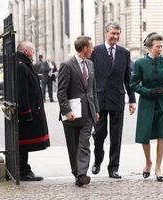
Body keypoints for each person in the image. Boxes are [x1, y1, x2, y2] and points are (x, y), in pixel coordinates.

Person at [130, 33, 163, 182]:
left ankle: (158, 168)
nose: (160, 49)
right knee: (145, 136)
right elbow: (133, 84)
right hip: (147, 102)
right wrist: (147, 91)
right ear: (150, 47)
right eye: (157, 46)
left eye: (161, 46)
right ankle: (148, 162)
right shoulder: (139, 63)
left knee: (161, 135)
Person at [90, 22, 136, 179]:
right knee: (99, 133)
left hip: (117, 97)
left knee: (116, 135)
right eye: (113, 33)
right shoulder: (95, 51)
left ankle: (113, 167)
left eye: (118, 34)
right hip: (99, 99)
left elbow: (128, 78)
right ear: (106, 33)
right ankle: (97, 160)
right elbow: (90, 77)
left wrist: (132, 99)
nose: (116, 36)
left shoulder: (124, 52)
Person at [57, 36, 100, 187]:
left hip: (88, 112)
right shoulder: (67, 65)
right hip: (72, 115)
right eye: (91, 47)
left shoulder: (91, 64)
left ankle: (82, 174)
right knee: (73, 145)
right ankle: (78, 174)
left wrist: (96, 109)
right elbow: (61, 92)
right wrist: (67, 111)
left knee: (84, 143)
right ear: (84, 49)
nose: (93, 50)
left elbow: (92, 90)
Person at [16, 41, 50, 181]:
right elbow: (22, 91)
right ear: (25, 51)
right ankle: (23, 171)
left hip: (32, 110)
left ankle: (24, 168)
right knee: (24, 143)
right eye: (32, 49)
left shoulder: (24, 63)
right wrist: (26, 111)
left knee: (25, 143)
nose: (34, 52)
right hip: (27, 112)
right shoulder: (21, 66)